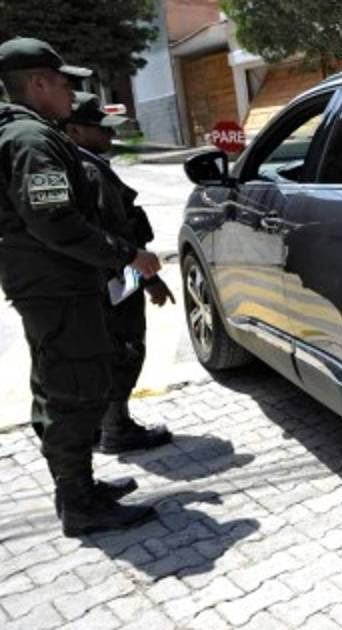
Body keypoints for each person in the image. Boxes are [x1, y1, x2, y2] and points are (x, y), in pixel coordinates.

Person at [0, 37, 161, 536]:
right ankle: (79, 503)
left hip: (52, 284)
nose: (71, 94)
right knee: (74, 390)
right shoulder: (30, 139)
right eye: (64, 84)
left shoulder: (27, 133)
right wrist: (127, 255)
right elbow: (56, 222)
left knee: (62, 384)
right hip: (58, 286)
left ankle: (79, 487)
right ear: (38, 83)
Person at [61, 91, 174, 454]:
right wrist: (149, 280)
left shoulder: (75, 164)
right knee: (124, 349)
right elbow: (117, 234)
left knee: (102, 352)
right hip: (114, 281)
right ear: (75, 131)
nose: (111, 135)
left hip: (99, 281)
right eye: (102, 129)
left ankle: (101, 426)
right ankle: (117, 429)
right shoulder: (89, 170)